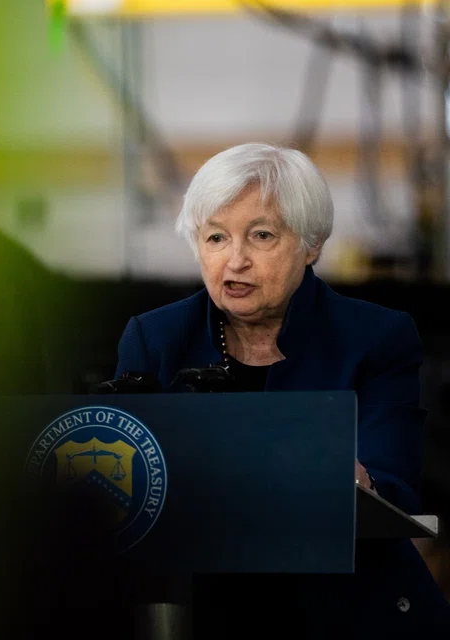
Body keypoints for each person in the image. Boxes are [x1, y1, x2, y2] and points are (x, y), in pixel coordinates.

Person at [115, 142, 450, 636]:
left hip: (349, 606)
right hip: (206, 607)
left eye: (262, 235)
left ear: (310, 244)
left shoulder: (377, 337)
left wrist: (360, 483)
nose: (236, 260)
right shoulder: (154, 337)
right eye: (215, 238)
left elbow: (393, 487)